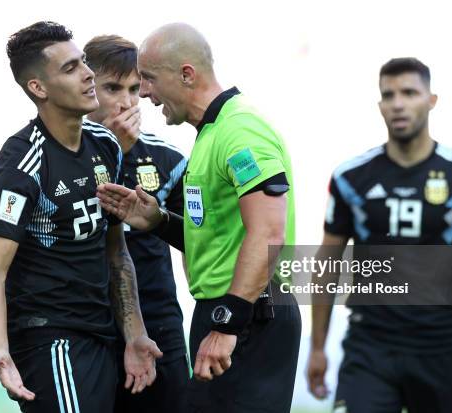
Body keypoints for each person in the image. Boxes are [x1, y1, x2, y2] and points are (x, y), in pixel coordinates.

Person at [97, 23, 301, 413]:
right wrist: (158, 221)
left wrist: (227, 324)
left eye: (149, 79)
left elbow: (269, 232)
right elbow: (218, 236)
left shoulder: (241, 131)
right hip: (231, 312)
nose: (144, 93)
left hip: (250, 315)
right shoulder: (209, 135)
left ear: (187, 74)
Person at [0, 21, 161, 413]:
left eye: (83, 63)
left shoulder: (105, 145)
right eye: (70, 68)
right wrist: (0, 350)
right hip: (51, 342)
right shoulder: (21, 167)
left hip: (102, 335)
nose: (88, 74)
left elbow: (116, 251)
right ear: (38, 89)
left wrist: (134, 333)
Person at [307, 57, 452, 413]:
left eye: (409, 92)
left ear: (431, 100)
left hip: (442, 346)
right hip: (369, 347)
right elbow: (327, 262)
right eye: (389, 94)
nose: (398, 103)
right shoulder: (350, 179)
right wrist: (318, 347)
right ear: (380, 105)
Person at [84, 34, 190, 413]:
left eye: (134, 88)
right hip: (88, 324)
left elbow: (195, 237)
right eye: (112, 88)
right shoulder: (60, 156)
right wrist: (112, 151)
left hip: (158, 322)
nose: (126, 101)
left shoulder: (168, 159)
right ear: (86, 85)